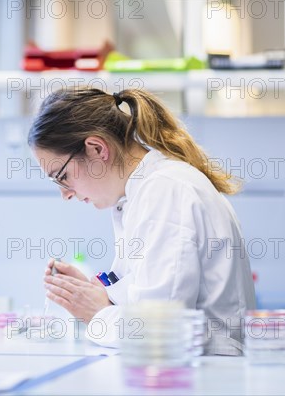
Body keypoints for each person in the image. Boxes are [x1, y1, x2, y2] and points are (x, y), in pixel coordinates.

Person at [28, 87, 255, 355]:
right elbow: (151, 300)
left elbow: (162, 330)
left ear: (97, 148)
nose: (65, 194)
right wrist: (100, 297)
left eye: (62, 177)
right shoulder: (143, 194)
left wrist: (96, 314)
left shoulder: (165, 191)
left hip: (207, 378)